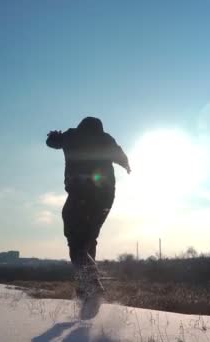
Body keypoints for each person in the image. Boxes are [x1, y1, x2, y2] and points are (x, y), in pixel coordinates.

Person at [46, 116, 131, 302]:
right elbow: (120, 155)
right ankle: (88, 289)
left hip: (81, 192)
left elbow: (51, 142)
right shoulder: (105, 139)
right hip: (105, 197)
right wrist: (126, 165)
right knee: (89, 237)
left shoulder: (72, 135)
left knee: (73, 234)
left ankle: (89, 283)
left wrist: (54, 135)